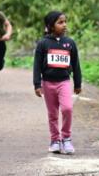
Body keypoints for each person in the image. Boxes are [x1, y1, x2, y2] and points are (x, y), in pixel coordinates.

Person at [33, 11, 82, 154]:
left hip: (64, 82)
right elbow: (37, 65)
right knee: (53, 114)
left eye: (65, 21)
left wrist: (77, 83)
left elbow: (76, 64)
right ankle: (55, 140)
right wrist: (37, 84)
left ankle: (66, 138)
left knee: (67, 109)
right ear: (50, 25)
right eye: (60, 22)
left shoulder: (70, 43)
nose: (64, 25)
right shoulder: (43, 44)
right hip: (48, 83)